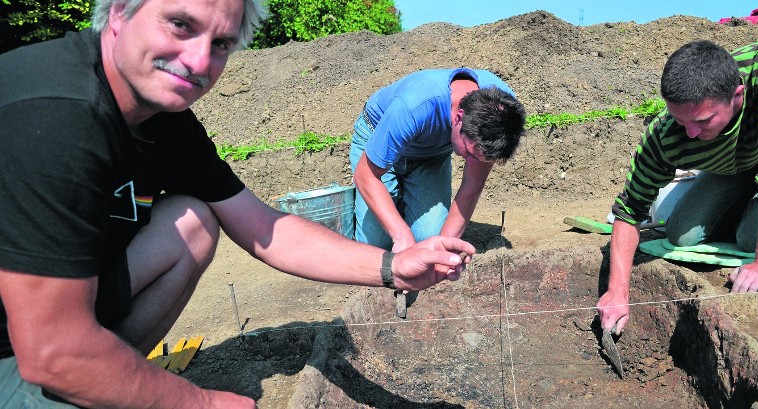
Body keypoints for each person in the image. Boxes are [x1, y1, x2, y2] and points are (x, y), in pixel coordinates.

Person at [0, 0, 475, 407]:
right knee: (66, 363)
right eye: (180, 24)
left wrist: (395, 265)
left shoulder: (165, 118)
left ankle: (101, 378)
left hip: (61, 312)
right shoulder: (57, 115)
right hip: (23, 346)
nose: (198, 60)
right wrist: (198, 401)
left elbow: (264, 228)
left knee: (195, 219)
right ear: (121, 11)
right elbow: (51, 349)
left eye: (222, 43)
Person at [598, 39, 758, 335]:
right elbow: (630, 210)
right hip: (743, 157)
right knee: (682, 234)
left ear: (737, 96)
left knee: (751, 239)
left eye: (703, 121)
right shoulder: (666, 136)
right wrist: (617, 292)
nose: (691, 133)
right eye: (681, 120)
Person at [349, 68, 526, 253]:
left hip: (430, 154)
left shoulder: (503, 118)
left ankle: (400, 204)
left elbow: (472, 187)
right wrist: (402, 236)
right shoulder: (414, 104)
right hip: (377, 137)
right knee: (375, 247)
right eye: (470, 154)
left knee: (429, 241)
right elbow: (366, 175)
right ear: (459, 118)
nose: (473, 163)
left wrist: (442, 251)